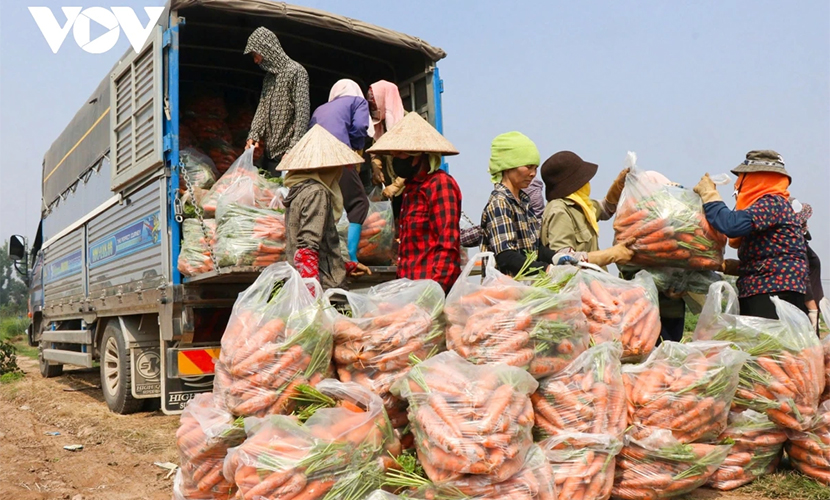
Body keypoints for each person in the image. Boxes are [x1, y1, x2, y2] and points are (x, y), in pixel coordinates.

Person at [694, 150, 808, 318]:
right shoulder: (771, 207)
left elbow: (732, 224)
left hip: (773, 290)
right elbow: (768, 257)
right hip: (767, 288)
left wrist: (709, 195)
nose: (738, 185)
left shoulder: (772, 202)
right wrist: (725, 265)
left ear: (757, 179)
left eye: (742, 178)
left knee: (770, 343)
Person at [367, 112, 462, 293]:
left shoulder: (439, 185)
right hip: (408, 290)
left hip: (429, 290)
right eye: (394, 153)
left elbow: (448, 244)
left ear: (419, 155)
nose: (395, 157)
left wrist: (435, 291)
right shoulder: (410, 190)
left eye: (401, 153)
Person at [280, 125, 371, 291]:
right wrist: (313, 300)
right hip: (326, 291)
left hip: (306, 283)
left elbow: (313, 248)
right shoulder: (317, 192)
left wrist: (344, 266)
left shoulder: (298, 190)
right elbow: (307, 248)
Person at [479, 132, 560, 276]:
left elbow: (533, 248)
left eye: (535, 168)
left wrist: (555, 257)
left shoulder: (524, 202)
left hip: (526, 287)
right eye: (528, 167)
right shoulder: (500, 203)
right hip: (505, 291)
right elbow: (506, 256)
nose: (533, 173)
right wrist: (546, 269)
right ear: (508, 166)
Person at [309, 79, 372, 262]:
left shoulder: (320, 109)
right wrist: (354, 147)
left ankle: (322, 250)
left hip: (315, 161)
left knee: (326, 200)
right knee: (358, 202)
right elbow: (361, 127)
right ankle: (350, 255)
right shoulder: (358, 102)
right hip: (339, 157)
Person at [539, 151, 633, 267]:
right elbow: (565, 259)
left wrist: (618, 186)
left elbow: (605, 208)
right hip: (577, 284)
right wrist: (611, 254)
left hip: (595, 281)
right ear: (574, 182)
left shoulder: (581, 205)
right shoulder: (559, 211)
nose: (587, 183)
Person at [243, 27, 310, 176]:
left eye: (256, 55)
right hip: (270, 154)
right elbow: (262, 107)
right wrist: (253, 134)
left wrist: (293, 150)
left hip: (287, 154)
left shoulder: (296, 72)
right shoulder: (269, 78)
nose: (255, 61)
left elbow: (302, 114)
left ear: (267, 49)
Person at [366, 81, 407, 219]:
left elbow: (417, 161)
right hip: (391, 191)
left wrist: (396, 186)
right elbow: (376, 147)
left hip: (408, 189)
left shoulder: (408, 122)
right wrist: (375, 165)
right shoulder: (381, 124)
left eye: (375, 101)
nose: (372, 105)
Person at [792, 199, 824, 332]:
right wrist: (812, 308)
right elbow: (801, 274)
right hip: (805, 308)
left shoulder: (802, 243)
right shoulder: (797, 245)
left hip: (810, 307)